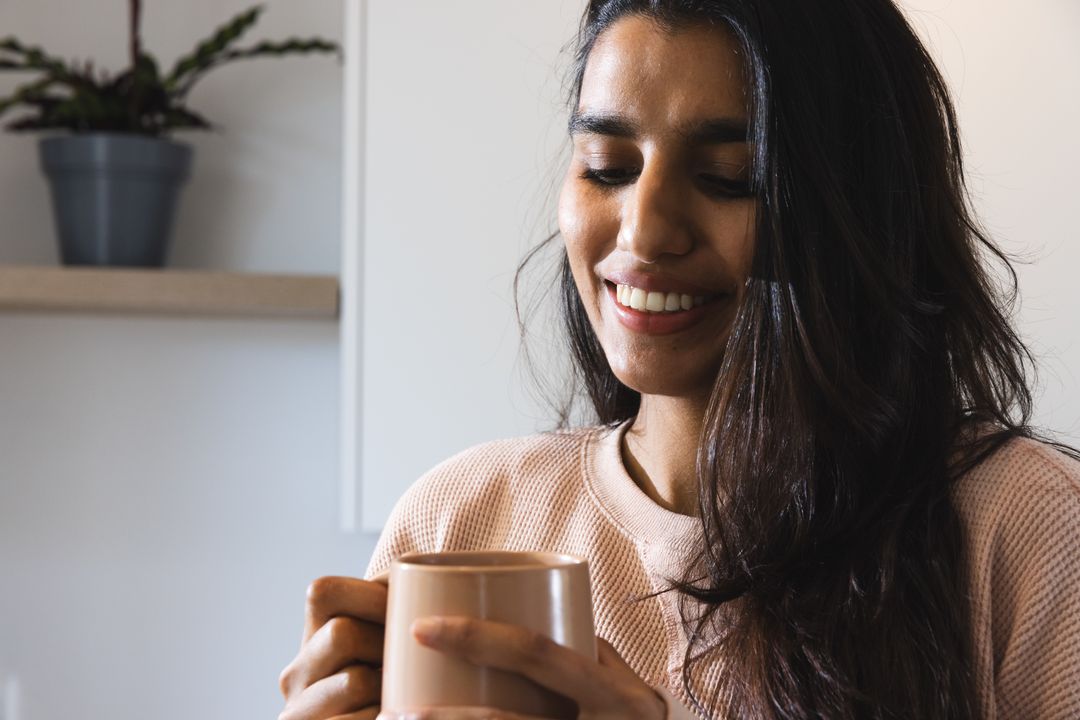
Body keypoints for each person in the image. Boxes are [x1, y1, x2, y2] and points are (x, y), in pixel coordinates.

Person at [278, 0, 1080, 718]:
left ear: (859, 215)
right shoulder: (463, 518)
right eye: (608, 168)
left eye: (729, 178)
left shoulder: (1027, 531)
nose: (643, 233)